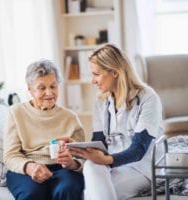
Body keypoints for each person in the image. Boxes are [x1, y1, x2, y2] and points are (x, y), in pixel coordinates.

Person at [66, 44, 163, 200]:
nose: (93, 81)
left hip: (141, 167)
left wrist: (106, 160)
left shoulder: (148, 98)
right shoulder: (100, 101)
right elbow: (99, 143)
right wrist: (77, 148)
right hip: (112, 164)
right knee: (91, 166)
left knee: (91, 194)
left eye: (96, 74)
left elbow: (138, 150)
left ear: (115, 73)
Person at [3, 59, 85, 200]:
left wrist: (72, 162)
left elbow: (83, 156)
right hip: (27, 168)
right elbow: (10, 156)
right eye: (42, 88)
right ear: (30, 89)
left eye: (53, 86)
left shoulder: (70, 118)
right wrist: (30, 167)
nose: (49, 93)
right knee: (32, 194)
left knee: (67, 190)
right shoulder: (16, 113)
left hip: (62, 169)